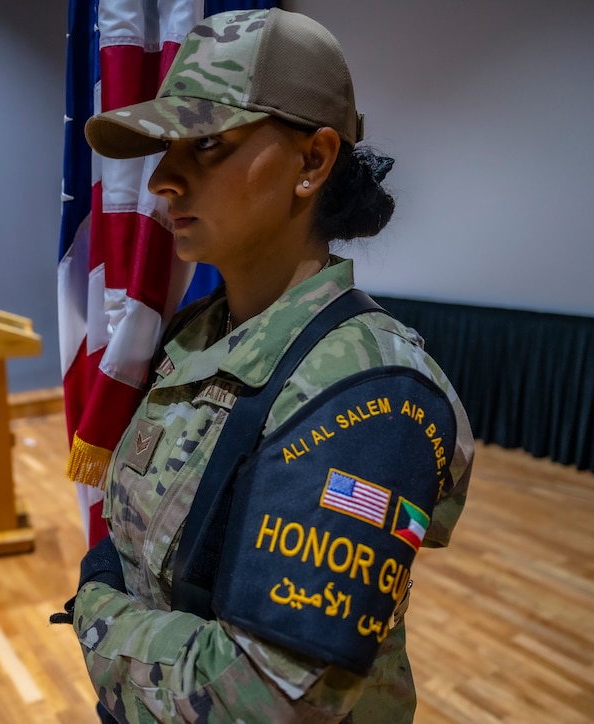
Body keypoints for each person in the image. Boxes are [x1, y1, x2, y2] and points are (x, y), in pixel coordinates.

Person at [53, 8, 474, 723]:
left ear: (311, 162)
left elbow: (258, 699)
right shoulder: (192, 338)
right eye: (166, 147)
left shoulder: (371, 394)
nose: (163, 179)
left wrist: (96, 603)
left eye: (208, 144)